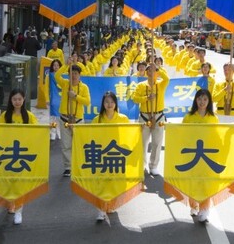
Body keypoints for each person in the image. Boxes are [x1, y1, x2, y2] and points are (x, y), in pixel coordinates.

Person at [0, 88, 39, 225]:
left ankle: (19, 211)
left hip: (22, 155)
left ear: (24, 100)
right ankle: (11, 203)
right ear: (11, 100)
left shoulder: (29, 116)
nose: (17, 102)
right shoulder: (4, 116)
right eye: (14, 99)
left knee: (20, 183)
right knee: (9, 182)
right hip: (8, 154)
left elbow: (37, 132)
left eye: (19, 99)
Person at [91, 91, 130, 221]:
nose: (109, 104)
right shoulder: (97, 119)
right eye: (106, 102)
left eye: (112, 102)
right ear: (103, 103)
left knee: (115, 181)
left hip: (116, 155)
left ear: (116, 104)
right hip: (101, 154)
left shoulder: (123, 118)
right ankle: (100, 209)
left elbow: (129, 134)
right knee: (101, 182)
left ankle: (112, 204)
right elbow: (89, 135)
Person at [182, 89, 219, 222]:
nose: (202, 102)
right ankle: (194, 205)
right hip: (193, 155)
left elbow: (217, 137)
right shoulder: (189, 117)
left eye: (205, 99)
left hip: (207, 156)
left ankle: (204, 209)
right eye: (199, 99)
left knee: (206, 183)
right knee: (193, 181)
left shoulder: (213, 118)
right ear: (195, 100)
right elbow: (182, 135)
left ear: (209, 101)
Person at [131, 63, 170, 176]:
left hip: (158, 116)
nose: (151, 72)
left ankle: (153, 166)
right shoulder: (141, 85)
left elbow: (167, 78)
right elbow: (134, 98)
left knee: (157, 143)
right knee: (143, 142)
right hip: (144, 116)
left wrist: (157, 68)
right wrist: (146, 98)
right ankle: (142, 165)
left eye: (153, 70)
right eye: (149, 70)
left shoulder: (161, 84)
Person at [55, 64, 91, 177]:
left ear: (80, 75)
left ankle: (78, 164)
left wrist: (75, 96)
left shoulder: (84, 87)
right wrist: (66, 65)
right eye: (71, 73)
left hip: (78, 119)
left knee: (78, 143)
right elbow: (56, 76)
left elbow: (87, 101)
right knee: (66, 144)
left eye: (76, 74)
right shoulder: (65, 84)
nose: (74, 76)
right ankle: (68, 167)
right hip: (64, 118)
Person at [48, 59, 63, 140]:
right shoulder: (50, 75)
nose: (56, 67)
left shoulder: (63, 76)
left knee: (60, 117)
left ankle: (59, 132)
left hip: (61, 98)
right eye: (54, 65)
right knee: (53, 117)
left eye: (57, 65)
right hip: (53, 98)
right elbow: (47, 87)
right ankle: (53, 133)